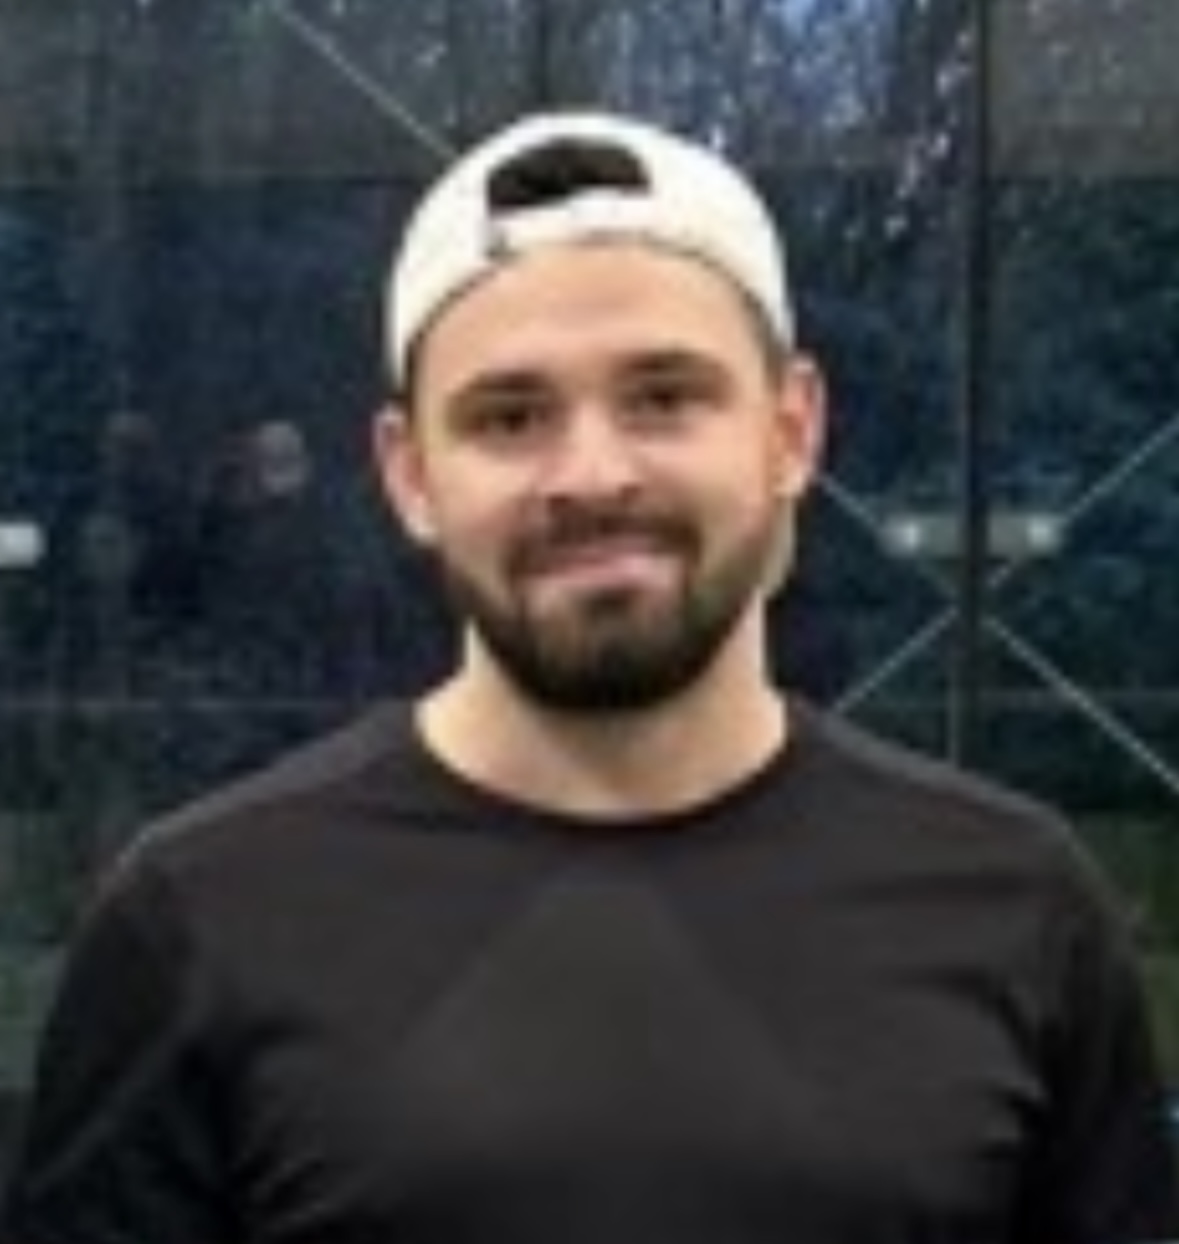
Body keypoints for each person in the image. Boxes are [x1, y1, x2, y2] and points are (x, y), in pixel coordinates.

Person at [2, 110, 1176, 1244]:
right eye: (510, 415)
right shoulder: (203, 919)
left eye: (664, 397)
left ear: (792, 427)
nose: (593, 473)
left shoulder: (1018, 905)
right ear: (409, 474)